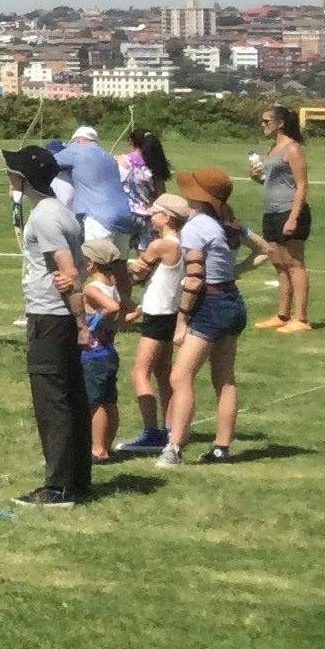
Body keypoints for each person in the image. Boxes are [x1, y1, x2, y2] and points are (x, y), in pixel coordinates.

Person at [8, 146, 92, 507]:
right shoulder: (61, 210)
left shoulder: (44, 216)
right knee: (72, 396)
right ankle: (77, 479)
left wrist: (81, 323)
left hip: (50, 318)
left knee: (52, 401)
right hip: (56, 317)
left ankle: (57, 487)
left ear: (24, 179)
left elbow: (68, 273)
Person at [167, 167, 252, 464]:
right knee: (225, 378)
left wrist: (181, 322)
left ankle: (174, 448)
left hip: (210, 305)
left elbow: (193, 279)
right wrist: (235, 271)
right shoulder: (226, 224)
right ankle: (222, 447)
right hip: (232, 301)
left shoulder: (195, 227)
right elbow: (267, 250)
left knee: (180, 376)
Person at [113, 193, 190, 456]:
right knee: (162, 373)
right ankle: (169, 428)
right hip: (170, 312)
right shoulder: (183, 243)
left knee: (139, 373)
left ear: (167, 217)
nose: (150, 219)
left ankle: (151, 433)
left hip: (157, 315)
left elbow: (136, 272)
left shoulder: (161, 245)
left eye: (154, 214)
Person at [56, 124, 143, 305]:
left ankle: (97, 308)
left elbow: (49, 162)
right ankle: (125, 307)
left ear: (78, 140)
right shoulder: (106, 156)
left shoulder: (77, 150)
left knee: (95, 264)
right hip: (124, 215)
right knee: (119, 265)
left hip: (99, 215)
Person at [247, 106, 314, 333]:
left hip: (289, 211)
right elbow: (271, 181)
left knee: (295, 264)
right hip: (271, 211)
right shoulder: (272, 149)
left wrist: (293, 218)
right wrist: (256, 177)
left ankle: (301, 318)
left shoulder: (293, 149)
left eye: (267, 121)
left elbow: (302, 185)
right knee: (278, 264)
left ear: (280, 123)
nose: (263, 125)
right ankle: (283, 314)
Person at [76, 234, 126, 468]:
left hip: (93, 355)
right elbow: (125, 308)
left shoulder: (91, 289)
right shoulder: (111, 284)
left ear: (92, 263)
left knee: (95, 402)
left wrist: (94, 321)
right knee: (108, 400)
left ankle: (97, 450)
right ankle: (106, 444)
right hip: (108, 351)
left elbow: (113, 307)